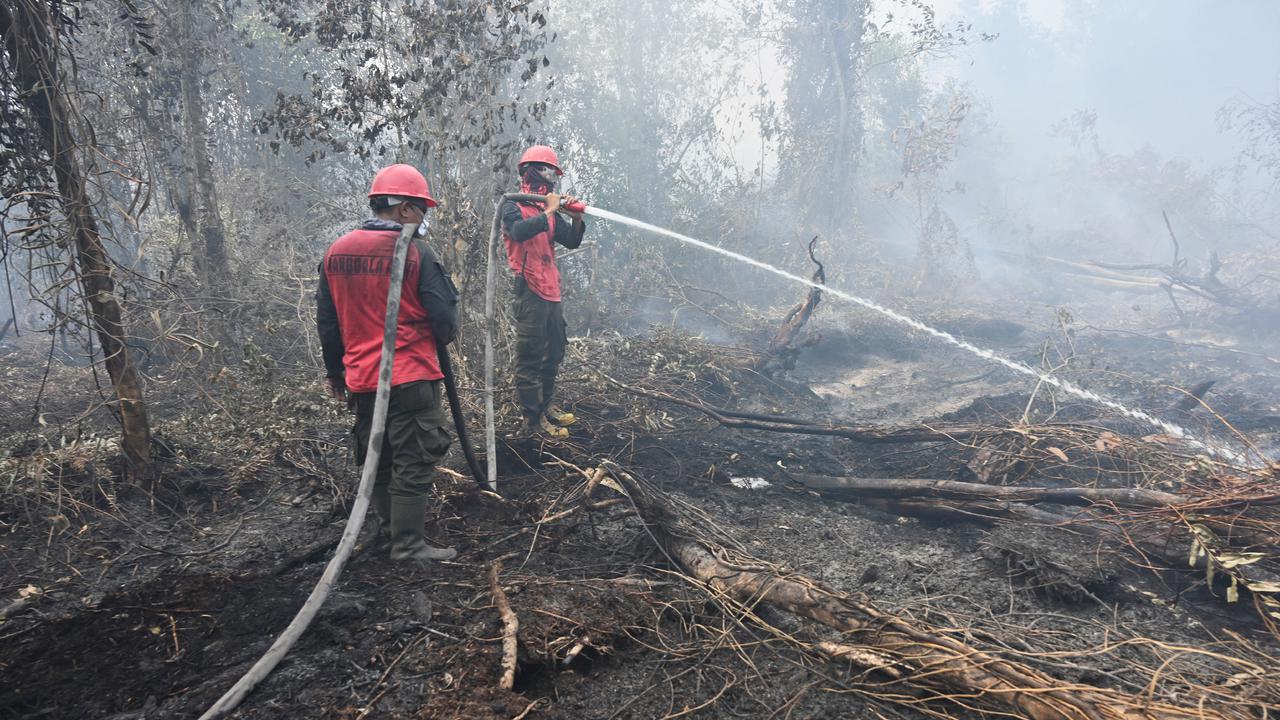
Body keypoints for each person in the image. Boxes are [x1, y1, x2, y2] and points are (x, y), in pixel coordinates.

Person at [316, 163, 459, 565]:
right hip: (411, 376)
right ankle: (408, 544)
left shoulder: (336, 252)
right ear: (405, 209)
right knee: (414, 458)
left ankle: (385, 530)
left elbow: (327, 321)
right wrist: (439, 336)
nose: (423, 219)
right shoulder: (415, 252)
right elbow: (445, 321)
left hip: (361, 379)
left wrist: (335, 371)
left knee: (377, 456)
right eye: (422, 210)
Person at [501, 145, 587, 439]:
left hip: (552, 291)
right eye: (548, 171)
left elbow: (571, 241)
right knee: (530, 356)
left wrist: (575, 216)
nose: (552, 178)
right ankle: (533, 421)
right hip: (530, 291)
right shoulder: (513, 205)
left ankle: (546, 407)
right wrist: (550, 210)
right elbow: (518, 233)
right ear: (532, 171)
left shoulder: (547, 211)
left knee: (553, 352)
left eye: (554, 172)